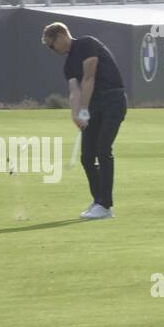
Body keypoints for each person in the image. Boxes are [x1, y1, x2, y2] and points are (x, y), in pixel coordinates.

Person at [43, 23, 127, 220]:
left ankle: (105, 205)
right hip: (94, 105)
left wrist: (83, 109)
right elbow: (75, 91)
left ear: (62, 35)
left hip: (113, 100)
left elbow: (89, 78)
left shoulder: (86, 44)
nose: (51, 49)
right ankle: (99, 200)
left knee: (103, 149)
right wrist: (75, 114)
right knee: (87, 157)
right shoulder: (68, 64)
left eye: (51, 44)